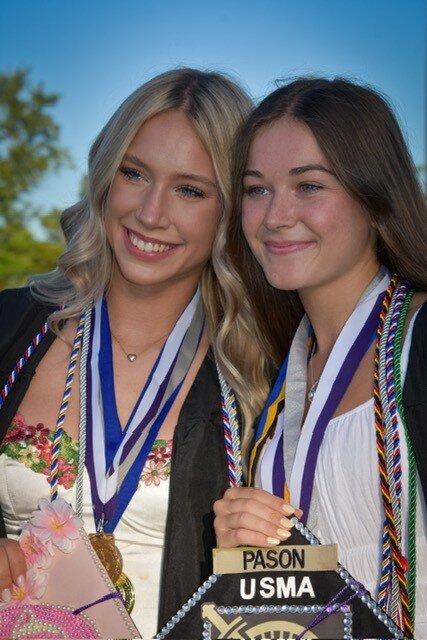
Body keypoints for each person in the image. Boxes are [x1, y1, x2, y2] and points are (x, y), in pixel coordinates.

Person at [0, 67, 252, 639]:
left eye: (190, 189)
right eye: (135, 174)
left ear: (230, 211)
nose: (151, 212)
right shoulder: (11, 326)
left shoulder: (257, 371)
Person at [213, 77, 427, 638]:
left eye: (308, 186)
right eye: (256, 190)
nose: (275, 216)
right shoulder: (282, 373)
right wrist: (242, 552)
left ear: (374, 196)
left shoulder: (418, 343)